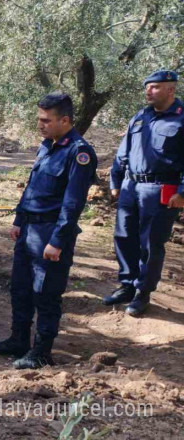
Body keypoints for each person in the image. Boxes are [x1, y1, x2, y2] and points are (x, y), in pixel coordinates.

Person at [0, 92, 97, 369]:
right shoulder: (47, 145)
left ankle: (42, 352)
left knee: (45, 294)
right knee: (21, 289)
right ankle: (18, 340)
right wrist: (19, 220)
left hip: (50, 232)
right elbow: (32, 187)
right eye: (39, 119)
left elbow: (72, 204)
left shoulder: (79, 152)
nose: (40, 125)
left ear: (65, 120)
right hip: (29, 230)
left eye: (46, 120)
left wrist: (57, 241)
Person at [104, 69, 184, 316]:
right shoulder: (140, 117)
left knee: (150, 243)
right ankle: (127, 285)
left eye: (155, 87)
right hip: (130, 186)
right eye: (147, 86)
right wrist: (115, 181)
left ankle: (142, 292)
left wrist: (182, 192)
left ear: (171, 89)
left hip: (160, 189)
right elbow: (123, 151)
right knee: (124, 236)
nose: (149, 91)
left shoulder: (181, 119)